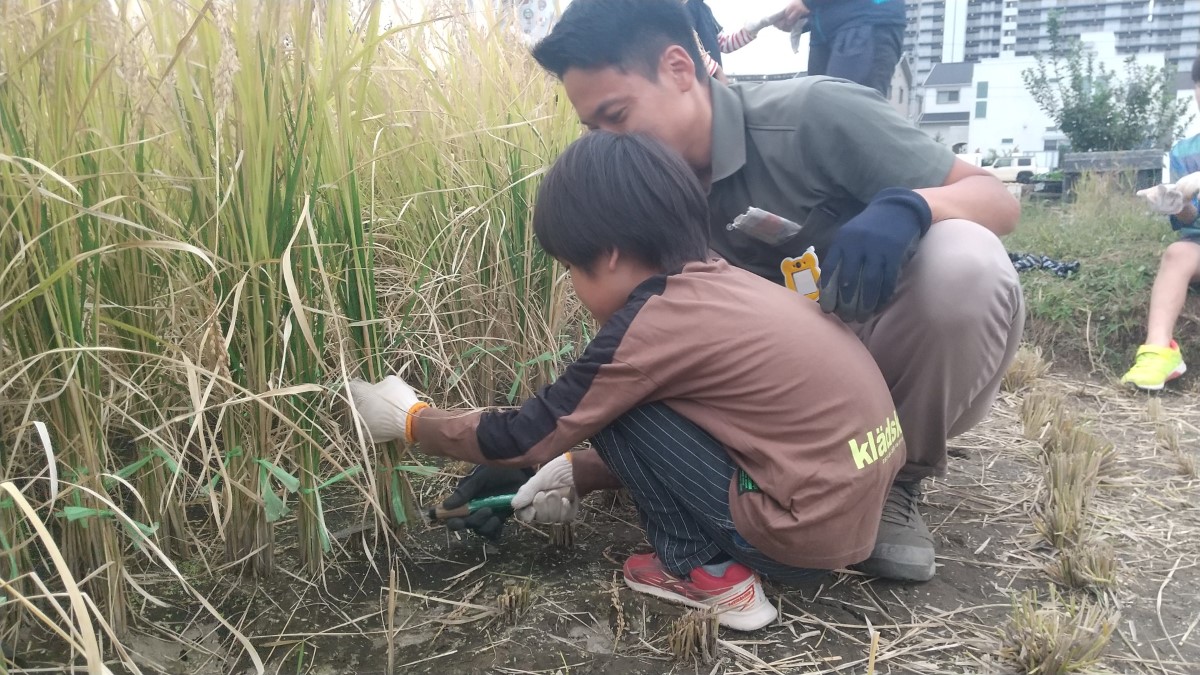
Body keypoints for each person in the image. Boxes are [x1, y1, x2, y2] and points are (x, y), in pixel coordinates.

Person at [494, 0, 1016, 585]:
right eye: (593, 128)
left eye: (617, 115)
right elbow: (663, 368)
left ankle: (899, 482)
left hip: (890, 361)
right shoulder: (637, 198)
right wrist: (570, 465)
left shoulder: (814, 114)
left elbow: (996, 199)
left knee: (964, 262)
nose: (608, 140)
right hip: (788, 412)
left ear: (677, 67)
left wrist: (913, 207)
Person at [349, 131, 906, 631]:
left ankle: (704, 572)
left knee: (616, 402)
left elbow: (528, 432)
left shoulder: (654, 321)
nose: (572, 285)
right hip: (852, 520)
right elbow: (732, 438)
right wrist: (577, 472)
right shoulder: (730, 285)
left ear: (610, 254)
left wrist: (411, 420)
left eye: (570, 267)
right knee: (631, 399)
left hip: (795, 540)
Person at [1124, 56, 1200, 391]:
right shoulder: (1185, 151)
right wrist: (1178, 204)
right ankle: (1159, 351)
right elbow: (1190, 221)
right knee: (1177, 253)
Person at [773, 0, 907, 96]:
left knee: (850, 110)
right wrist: (801, 19)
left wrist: (808, 3)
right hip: (826, 35)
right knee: (819, 115)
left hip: (867, 21)